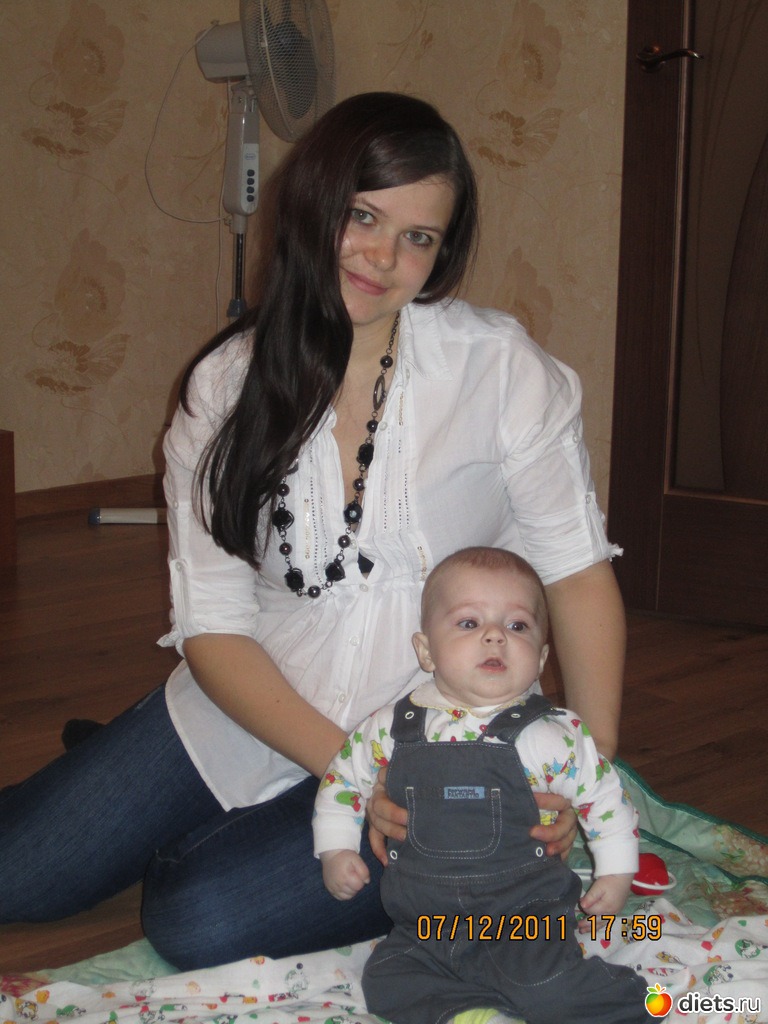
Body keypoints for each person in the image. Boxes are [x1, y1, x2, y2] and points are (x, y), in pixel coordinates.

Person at [0, 92, 627, 972]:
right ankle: (158, 788)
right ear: (314, 203)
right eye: (363, 216)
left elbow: (578, 573)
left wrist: (584, 768)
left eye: (418, 237)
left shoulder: (498, 370)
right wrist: (351, 769)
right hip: (250, 702)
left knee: (194, 918)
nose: (383, 257)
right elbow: (215, 627)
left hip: (441, 742)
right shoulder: (225, 385)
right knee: (19, 871)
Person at [314, 546, 647, 1024]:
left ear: (541, 657)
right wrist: (336, 850)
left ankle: (638, 999)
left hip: (524, 923)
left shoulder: (552, 735)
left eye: (518, 626)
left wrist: (615, 874)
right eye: (469, 623)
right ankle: (469, 1012)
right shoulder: (391, 727)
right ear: (426, 650)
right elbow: (343, 780)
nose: (495, 636)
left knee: (546, 989)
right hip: (424, 928)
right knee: (386, 981)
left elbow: (605, 799)